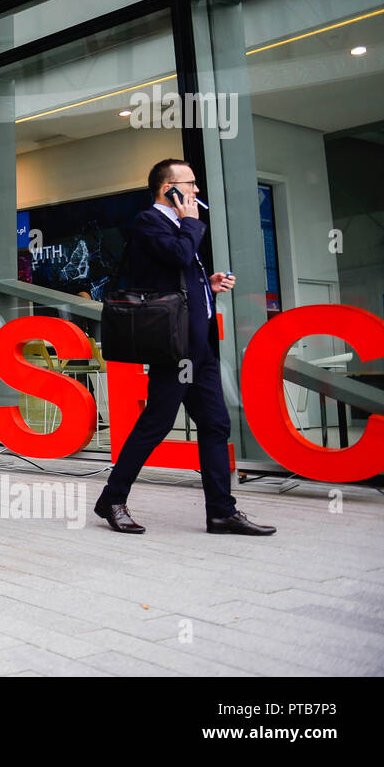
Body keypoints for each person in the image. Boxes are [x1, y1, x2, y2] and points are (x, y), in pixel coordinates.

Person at [93, 159, 274, 536]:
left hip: (200, 347)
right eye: (188, 184)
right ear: (168, 189)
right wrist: (190, 222)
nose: (195, 191)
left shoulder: (176, 227)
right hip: (176, 349)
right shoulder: (150, 222)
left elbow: (173, 275)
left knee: (214, 424)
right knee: (157, 422)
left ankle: (222, 512)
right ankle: (112, 498)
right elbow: (175, 256)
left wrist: (208, 283)